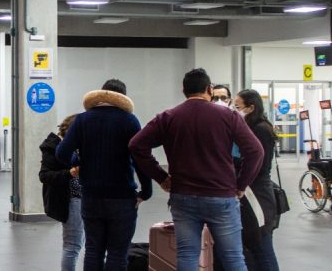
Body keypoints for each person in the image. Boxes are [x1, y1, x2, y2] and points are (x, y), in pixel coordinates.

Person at [129, 69, 264, 271]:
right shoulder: (229, 116)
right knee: (233, 258)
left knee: (187, 255)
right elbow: (255, 151)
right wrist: (241, 184)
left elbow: (136, 145)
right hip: (222, 196)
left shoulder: (168, 117)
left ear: (184, 91)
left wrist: (162, 177)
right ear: (209, 89)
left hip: (183, 196)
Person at [56, 79, 152, 271]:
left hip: (91, 196)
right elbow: (141, 157)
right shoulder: (129, 120)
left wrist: (79, 163)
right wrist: (146, 191)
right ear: (123, 97)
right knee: (118, 252)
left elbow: (61, 153)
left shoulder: (83, 119)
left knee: (93, 250)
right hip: (122, 197)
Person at [234, 89, 280, 271]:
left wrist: (231, 162)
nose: (234, 110)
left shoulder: (260, 130)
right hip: (251, 193)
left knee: (261, 245)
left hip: (257, 195)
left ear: (251, 108)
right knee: (252, 246)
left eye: (237, 107)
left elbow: (257, 164)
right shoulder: (250, 128)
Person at [40, 114, 84, 271]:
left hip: (81, 198)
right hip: (71, 200)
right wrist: (70, 173)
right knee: (72, 245)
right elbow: (44, 175)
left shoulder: (70, 147)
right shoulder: (53, 147)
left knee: (76, 243)